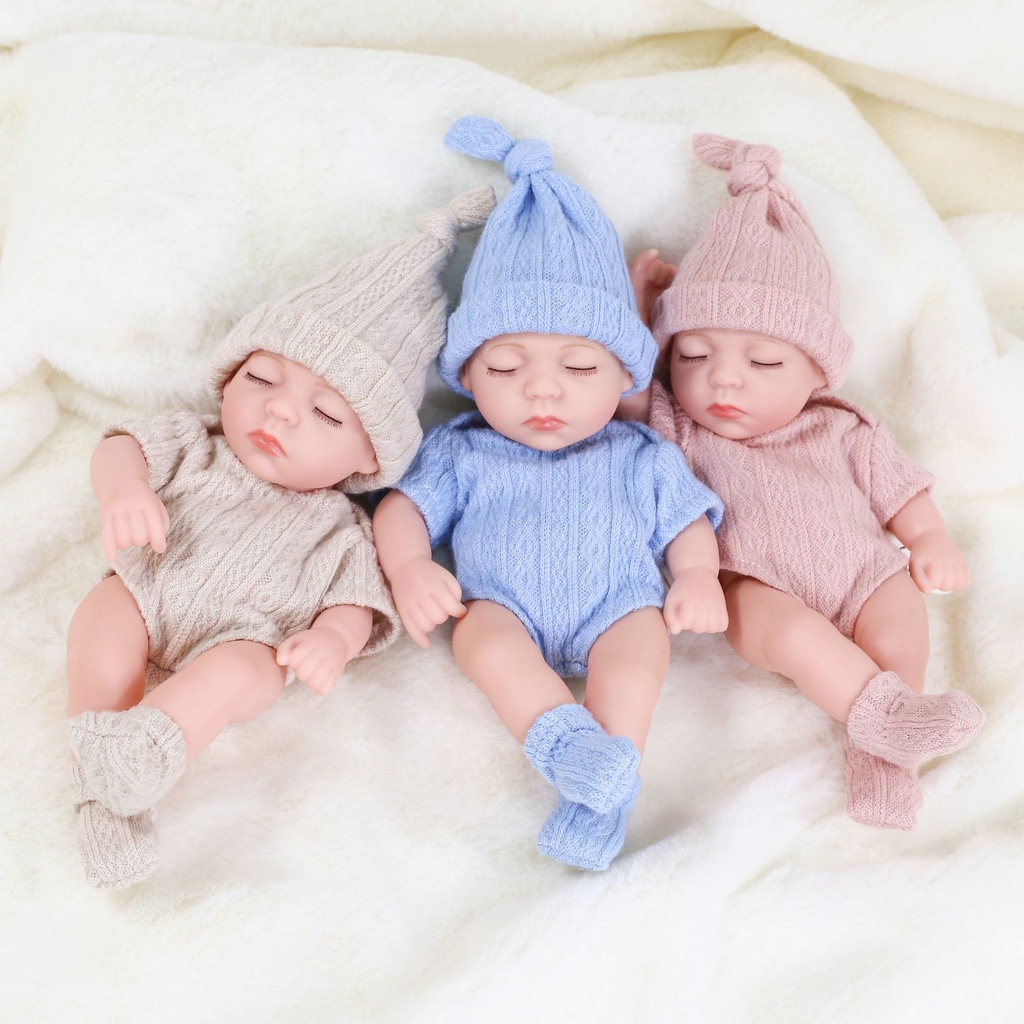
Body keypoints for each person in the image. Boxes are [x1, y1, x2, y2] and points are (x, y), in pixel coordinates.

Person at [65, 187, 495, 887]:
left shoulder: (346, 529)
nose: (281, 413)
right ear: (231, 375)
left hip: (244, 635)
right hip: (150, 587)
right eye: (263, 377)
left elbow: (357, 604)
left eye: (327, 416)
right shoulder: (198, 443)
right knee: (104, 616)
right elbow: (122, 445)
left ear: (370, 459)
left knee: (244, 675)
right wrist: (125, 490)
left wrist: (332, 641)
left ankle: (148, 749)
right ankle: (99, 778)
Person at [373, 117, 725, 871]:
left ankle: (601, 798)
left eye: (579, 368)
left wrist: (697, 576)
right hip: (504, 603)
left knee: (635, 663)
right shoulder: (461, 449)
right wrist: (409, 567)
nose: (542, 389)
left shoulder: (639, 451)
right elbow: (402, 508)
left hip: (618, 605)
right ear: (467, 376)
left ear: (624, 377)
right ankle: (567, 748)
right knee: (483, 641)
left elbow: (685, 520)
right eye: (506, 369)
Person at [625, 133, 984, 829]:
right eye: (694, 354)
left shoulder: (843, 425)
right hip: (756, 587)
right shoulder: (681, 427)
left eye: (763, 362)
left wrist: (929, 538)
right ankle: (887, 724)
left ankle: (885, 754)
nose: (724, 380)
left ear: (818, 371)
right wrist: (642, 315)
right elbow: (628, 395)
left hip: (865, 572)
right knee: (790, 634)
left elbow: (901, 490)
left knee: (898, 627)